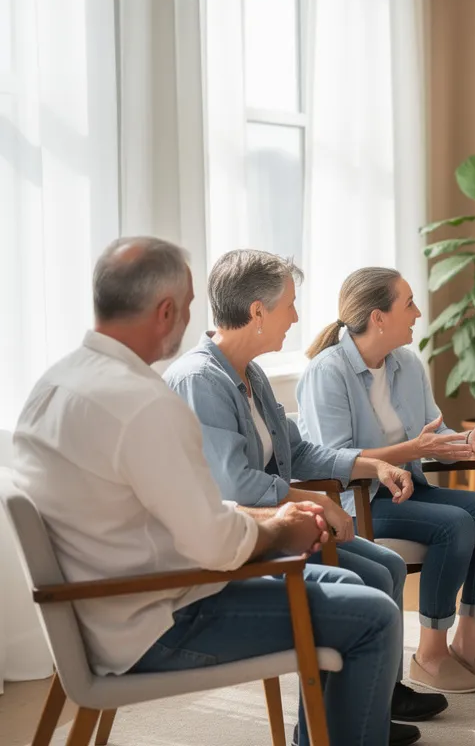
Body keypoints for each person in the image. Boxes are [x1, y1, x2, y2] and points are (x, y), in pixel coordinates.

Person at [11, 238, 412, 746]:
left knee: (359, 587)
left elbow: (179, 513)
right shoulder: (144, 403)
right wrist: (280, 527)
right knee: (373, 615)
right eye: (189, 304)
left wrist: (273, 520)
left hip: (112, 607)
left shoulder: (56, 384)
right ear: (166, 311)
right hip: (155, 621)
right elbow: (217, 546)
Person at [163, 249, 447, 731]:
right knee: (369, 582)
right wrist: (311, 500)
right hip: (240, 539)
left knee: (390, 565)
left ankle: (373, 706)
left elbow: (303, 452)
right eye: (290, 304)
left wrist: (372, 464)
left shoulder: (248, 373)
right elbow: (236, 485)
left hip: (273, 524)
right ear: (257, 311)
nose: (297, 316)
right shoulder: (201, 381)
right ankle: (336, 726)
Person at [298, 266, 475, 694]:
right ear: (378, 317)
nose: (418, 313)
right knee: (453, 524)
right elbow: (334, 460)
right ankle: (430, 656)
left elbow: (429, 433)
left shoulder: (406, 363)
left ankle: (467, 648)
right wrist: (413, 451)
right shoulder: (327, 372)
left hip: (410, 492)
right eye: (409, 304)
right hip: (358, 503)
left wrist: (465, 442)